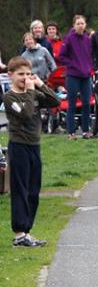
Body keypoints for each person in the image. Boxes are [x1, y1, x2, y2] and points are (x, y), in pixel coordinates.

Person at [2, 56, 59, 247]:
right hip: (19, 146)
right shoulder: (10, 97)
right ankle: (19, 232)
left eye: (28, 74)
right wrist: (29, 91)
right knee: (21, 189)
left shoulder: (32, 91)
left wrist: (40, 84)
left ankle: (27, 230)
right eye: (21, 74)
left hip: (35, 146)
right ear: (10, 75)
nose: (25, 77)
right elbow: (25, 113)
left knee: (33, 190)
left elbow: (54, 101)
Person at [58, 14, 94, 139]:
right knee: (72, 104)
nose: (80, 26)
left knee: (86, 103)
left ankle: (86, 130)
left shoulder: (87, 39)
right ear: (74, 25)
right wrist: (72, 64)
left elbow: (90, 55)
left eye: (82, 23)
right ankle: (71, 132)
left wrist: (90, 67)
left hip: (86, 75)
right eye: (78, 23)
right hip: (73, 75)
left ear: (85, 25)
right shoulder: (69, 39)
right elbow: (61, 56)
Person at [45, 21, 65, 88]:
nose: (51, 31)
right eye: (49, 29)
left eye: (53, 29)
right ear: (46, 31)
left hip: (60, 70)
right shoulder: (44, 42)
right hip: (47, 71)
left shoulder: (61, 42)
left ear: (56, 30)